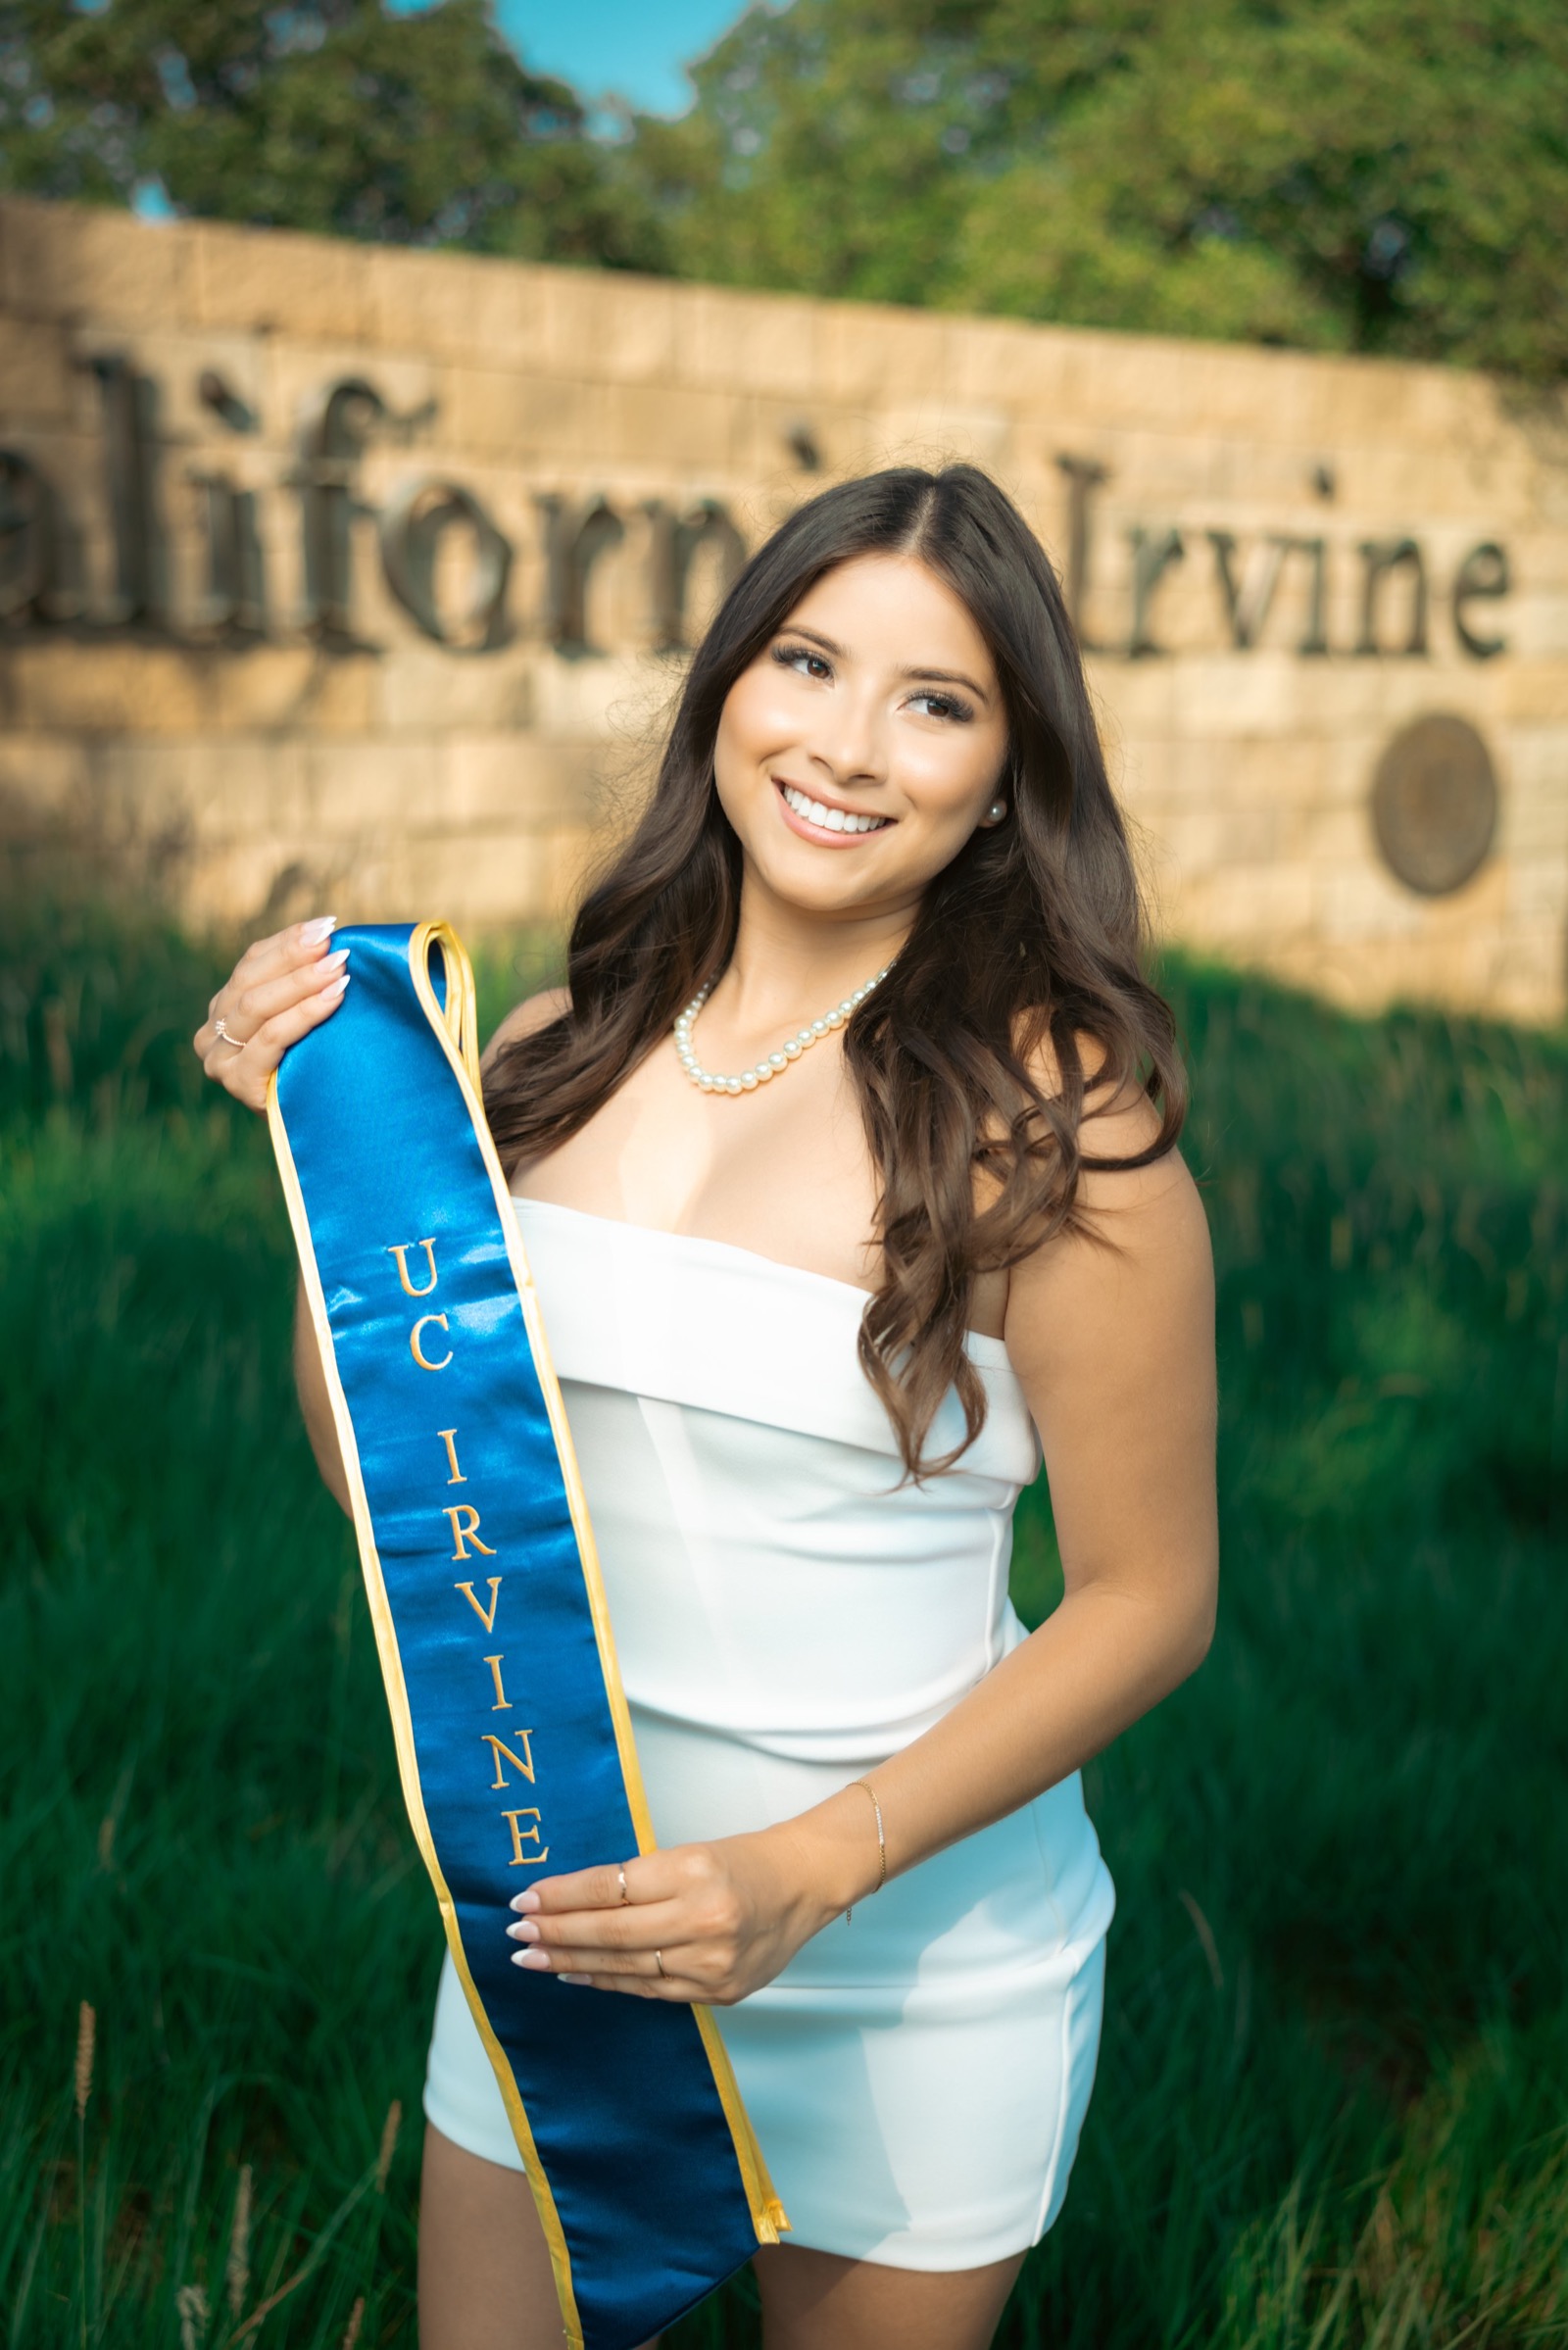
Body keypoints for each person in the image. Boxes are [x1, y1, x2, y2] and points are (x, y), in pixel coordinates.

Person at [194, 465, 1217, 2350]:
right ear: (725, 688)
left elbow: (1150, 1597)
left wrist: (810, 1869)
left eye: (936, 700)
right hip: (562, 1939)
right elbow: (392, 1484)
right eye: (807, 662)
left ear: (1009, 775)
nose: (847, 743)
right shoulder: (540, 1050)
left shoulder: (1059, 1125)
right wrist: (330, 1175)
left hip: (906, 1963)